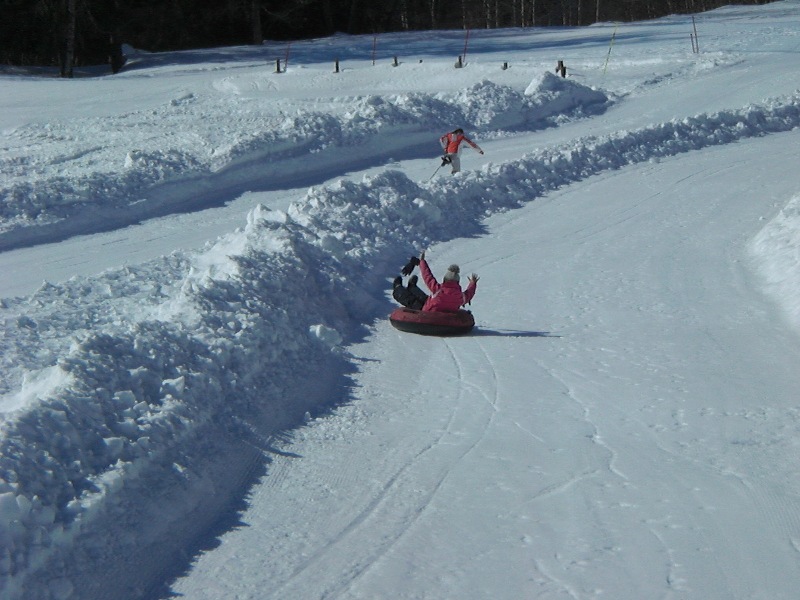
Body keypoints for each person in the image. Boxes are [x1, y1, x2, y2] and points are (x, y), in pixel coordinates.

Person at [393, 252, 478, 312]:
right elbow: (469, 294)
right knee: (427, 299)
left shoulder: (439, 289)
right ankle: (412, 287)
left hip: (429, 312)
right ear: (457, 282)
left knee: (413, 301)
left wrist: (422, 262)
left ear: (445, 280)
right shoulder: (460, 296)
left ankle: (398, 288)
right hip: (440, 311)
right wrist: (473, 283)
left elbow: (428, 276)